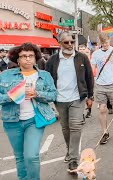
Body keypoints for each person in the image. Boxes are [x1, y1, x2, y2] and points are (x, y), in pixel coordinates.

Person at [0, 43, 57, 180]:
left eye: (30, 55)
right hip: (12, 121)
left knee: (31, 156)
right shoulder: (6, 75)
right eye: (23, 56)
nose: (27, 59)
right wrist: (14, 95)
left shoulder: (45, 75)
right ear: (17, 59)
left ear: (35, 57)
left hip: (34, 120)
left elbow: (54, 95)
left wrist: (37, 93)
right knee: (20, 157)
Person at [46, 32, 94, 173]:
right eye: (66, 42)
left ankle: (73, 158)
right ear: (60, 43)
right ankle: (70, 150)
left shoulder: (82, 58)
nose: (70, 45)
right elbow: (47, 79)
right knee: (65, 128)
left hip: (77, 98)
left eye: (72, 42)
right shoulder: (52, 60)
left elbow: (89, 77)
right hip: (59, 99)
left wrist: (90, 96)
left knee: (76, 126)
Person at [91, 32, 113, 144]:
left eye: (106, 42)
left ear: (109, 40)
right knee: (102, 109)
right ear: (100, 42)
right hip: (100, 84)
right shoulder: (96, 54)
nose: (105, 44)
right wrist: (92, 79)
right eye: (103, 43)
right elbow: (93, 68)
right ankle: (105, 133)